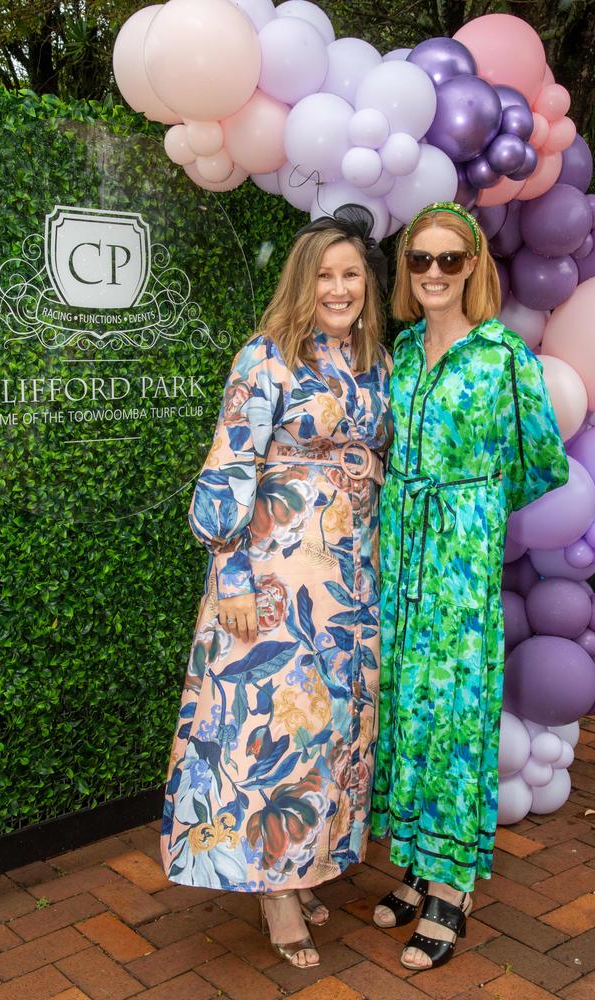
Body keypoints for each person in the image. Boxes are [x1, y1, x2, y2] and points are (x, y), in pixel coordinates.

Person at [161, 205, 392, 969]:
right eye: (324, 274)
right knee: (273, 727)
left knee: (328, 730)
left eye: (351, 273)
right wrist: (228, 571)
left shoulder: (375, 360)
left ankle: (301, 860)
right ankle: (274, 892)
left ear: (368, 282)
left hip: (351, 583)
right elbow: (228, 463)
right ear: (303, 281)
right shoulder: (265, 358)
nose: (338, 287)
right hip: (275, 576)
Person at [370, 201, 568, 972]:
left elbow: (539, 461)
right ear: (407, 268)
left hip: (459, 564)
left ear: (475, 266)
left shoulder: (503, 355)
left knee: (453, 718)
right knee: (408, 714)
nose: (433, 274)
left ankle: (452, 890)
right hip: (400, 562)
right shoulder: (405, 350)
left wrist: (470, 507)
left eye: (450, 260)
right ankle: (418, 867)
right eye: (421, 259)